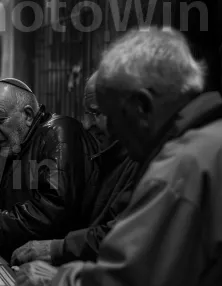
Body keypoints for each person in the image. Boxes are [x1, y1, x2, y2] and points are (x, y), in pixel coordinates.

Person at [18, 27, 222, 286]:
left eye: (112, 117)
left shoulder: (183, 165)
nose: (107, 131)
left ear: (142, 106)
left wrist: (56, 282)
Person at [0, 78, 100, 260]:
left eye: (0, 119)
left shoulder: (59, 134)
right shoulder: (1, 153)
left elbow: (52, 210)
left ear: (28, 115)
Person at [11, 72, 140, 266]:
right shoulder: (107, 158)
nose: (87, 124)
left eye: (96, 113)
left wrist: (56, 251)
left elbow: (123, 237)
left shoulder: (143, 161)